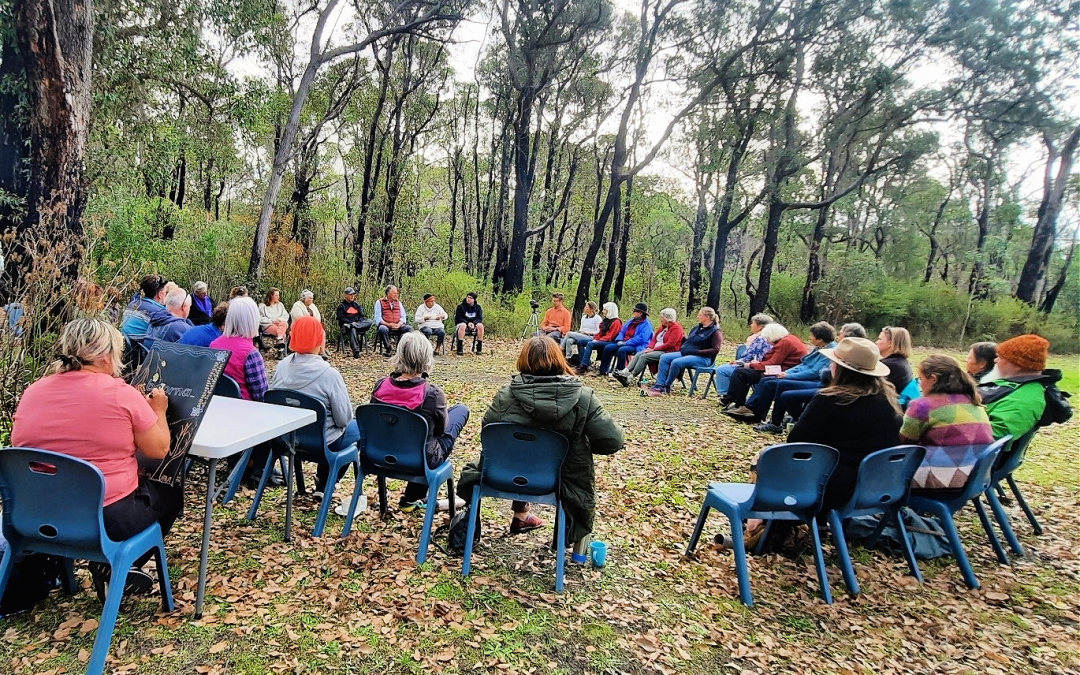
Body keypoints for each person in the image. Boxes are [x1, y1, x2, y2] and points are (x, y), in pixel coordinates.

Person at [12, 318, 181, 597]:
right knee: (170, 496)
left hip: (35, 512)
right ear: (105, 356)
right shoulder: (121, 394)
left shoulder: (34, 390)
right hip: (102, 518)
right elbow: (159, 449)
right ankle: (119, 565)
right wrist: (159, 410)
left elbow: (25, 442)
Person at [461, 336, 624, 540]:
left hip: (507, 469)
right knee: (548, 457)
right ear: (559, 359)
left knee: (522, 449)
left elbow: (489, 433)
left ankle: (520, 515)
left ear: (523, 360)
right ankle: (541, 527)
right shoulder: (583, 398)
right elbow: (613, 441)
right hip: (560, 478)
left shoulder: (506, 395)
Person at [787, 337, 903, 512]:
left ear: (840, 369)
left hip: (829, 486)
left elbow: (796, 442)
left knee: (767, 462)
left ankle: (757, 527)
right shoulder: (889, 401)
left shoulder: (829, 400)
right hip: (878, 485)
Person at [370, 332, 469, 511]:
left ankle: (412, 498)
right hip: (419, 459)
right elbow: (440, 431)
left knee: (424, 437)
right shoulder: (432, 394)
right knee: (460, 411)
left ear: (399, 355)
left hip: (379, 453)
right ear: (426, 358)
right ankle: (413, 497)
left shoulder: (380, 386)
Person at [272, 316, 360, 499]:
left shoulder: (281, 367)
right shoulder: (329, 375)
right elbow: (343, 419)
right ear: (320, 339)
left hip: (286, 439)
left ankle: (323, 482)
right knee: (357, 429)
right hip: (321, 444)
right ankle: (326, 482)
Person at [901, 355, 993, 491]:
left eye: (921, 379)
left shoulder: (922, 405)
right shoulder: (972, 399)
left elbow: (903, 443)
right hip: (976, 477)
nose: (919, 384)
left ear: (933, 378)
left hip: (944, 480)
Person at [732, 321, 838, 431]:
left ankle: (775, 422)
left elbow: (813, 372)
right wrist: (787, 373)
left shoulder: (829, 351)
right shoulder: (820, 347)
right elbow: (803, 365)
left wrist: (788, 376)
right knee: (767, 381)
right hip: (804, 376)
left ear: (820, 339)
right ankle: (756, 411)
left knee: (779, 384)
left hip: (816, 381)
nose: (809, 338)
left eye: (812, 336)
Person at [979, 334, 1060, 442]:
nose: (996, 360)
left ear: (1018, 364)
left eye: (1001, 357)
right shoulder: (1021, 387)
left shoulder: (1025, 399)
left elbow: (995, 435)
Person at [720, 324, 809, 411]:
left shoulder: (785, 342)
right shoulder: (789, 339)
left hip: (782, 371)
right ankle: (737, 402)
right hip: (780, 369)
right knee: (742, 372)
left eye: (767, 338)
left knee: (741, 373)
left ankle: (737, 402)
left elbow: (772, 363)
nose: (767, 341)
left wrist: (751, 365)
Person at [644, 307, 722, 396]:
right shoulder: (696, 328)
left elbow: (716, 349)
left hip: (703, 358)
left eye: (700, 315)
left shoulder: (715, 331)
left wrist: (697, 352)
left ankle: (667, 385)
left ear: (707, 317)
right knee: (664, 357)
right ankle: (659, 384)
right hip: (687, 353)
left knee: (676, 362)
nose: (698, 316)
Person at [210, 297, 267, 401]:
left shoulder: (214, 345)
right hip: (244, 410)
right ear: (253, 320)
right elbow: (261, 395)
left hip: (218, 405)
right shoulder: (251, 354)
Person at [614, 307, 684, 387]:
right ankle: (625, 371)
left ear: (668, 319)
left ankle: (630, 377)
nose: (660, 319)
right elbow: (654, 339)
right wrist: (650, 347)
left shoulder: (676, 329)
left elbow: (670, 344)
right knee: (639, 354)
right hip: (656, 349)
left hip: (668, 351)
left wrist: (653, 349)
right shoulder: (662, 327)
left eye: (662, 317)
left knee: (644, 357)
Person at [713, 318, 784, 398]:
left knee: (723, 370)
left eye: (753, 323)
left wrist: (739, 362)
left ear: (760, 326)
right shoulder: (773, 338)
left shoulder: (761, 338)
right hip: (763, 367)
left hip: (757, 367)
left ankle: (727, 396)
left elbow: (750, 356)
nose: (751, 325)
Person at [596, 303, 653, 376]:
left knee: (622, 350)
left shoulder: (647, 324)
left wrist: (627, 343)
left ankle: (619, 371)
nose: (633, 312)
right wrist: (620, 339)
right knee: (608, 348)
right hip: (624, 342)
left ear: (640, 313)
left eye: (635, 310)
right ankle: (603, 370)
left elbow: (642, 338)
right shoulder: (631, 321)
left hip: (637, 345)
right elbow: (622, 331)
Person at [574, 302, 621, 374]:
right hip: (602, 340)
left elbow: (610, 336)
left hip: (609, 341)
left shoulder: (616, 322)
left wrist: (597, 340)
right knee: (580, 342)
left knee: (590, 344)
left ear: (610, 311)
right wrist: (596, 338)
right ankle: (584, 362)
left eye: (605, 310)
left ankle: (583, 366)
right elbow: (600, 332)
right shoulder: (606, 320)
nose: (603, 311)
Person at [373, 285, 412, 355]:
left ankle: (400, 348)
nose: (396, 295)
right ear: (388, 293)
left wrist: (399, 324)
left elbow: (403, 317)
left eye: (396, 293)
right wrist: (389, 324)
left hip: (397, 325)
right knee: (382, 329)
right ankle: (388, 348)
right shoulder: (379, 302)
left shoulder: (398, 303)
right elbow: (378, 318)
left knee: (408, 328)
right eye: (394, 293)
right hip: (386, 325)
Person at [875, 326, 914, 394]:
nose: (876, 342)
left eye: (880, 339)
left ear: (891, 343)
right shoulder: (902, 363)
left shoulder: (888, 365)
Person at [337, 287, 374, 358]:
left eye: (353, 294)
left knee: (370, 321)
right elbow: (341, 319)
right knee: (352, 329)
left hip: (357, 325)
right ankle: (356, 350)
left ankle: (353, 325)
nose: (352, 296)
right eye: (350, 294)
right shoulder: (341, 306)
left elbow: (362, 317)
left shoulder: (357, 305)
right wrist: (350, 323)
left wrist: (355, 324)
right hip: (346, 327)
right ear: (346, 295)